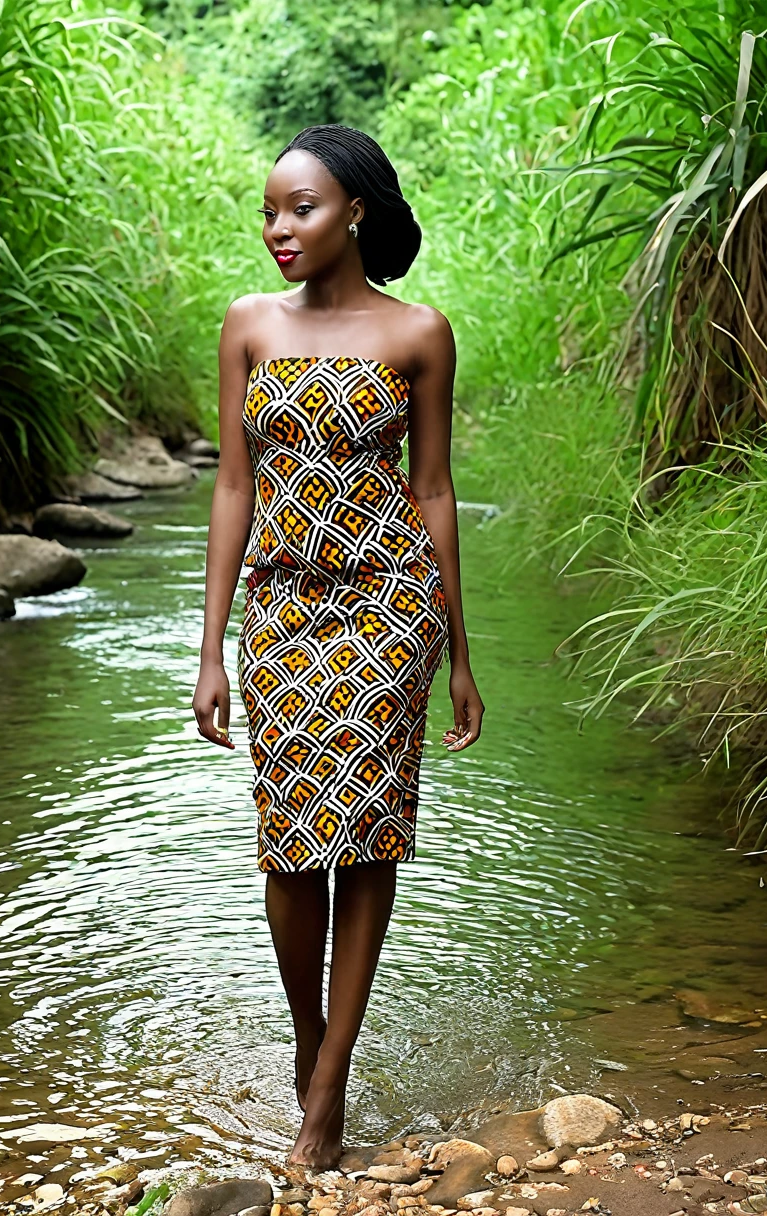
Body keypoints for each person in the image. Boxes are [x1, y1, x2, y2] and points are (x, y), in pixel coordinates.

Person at [192, 123, 484, 1171]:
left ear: (354, 210)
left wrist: (458, 651)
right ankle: (314, 1049)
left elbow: (435, 491)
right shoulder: (246, 326)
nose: (278, 229)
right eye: (269, 211)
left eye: (300, 209)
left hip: (388, 611)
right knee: (290, 840)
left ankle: (323, 1095)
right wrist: (212, 644)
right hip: (279, 610)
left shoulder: (419, 333)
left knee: (364, 836)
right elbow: (233, 485)